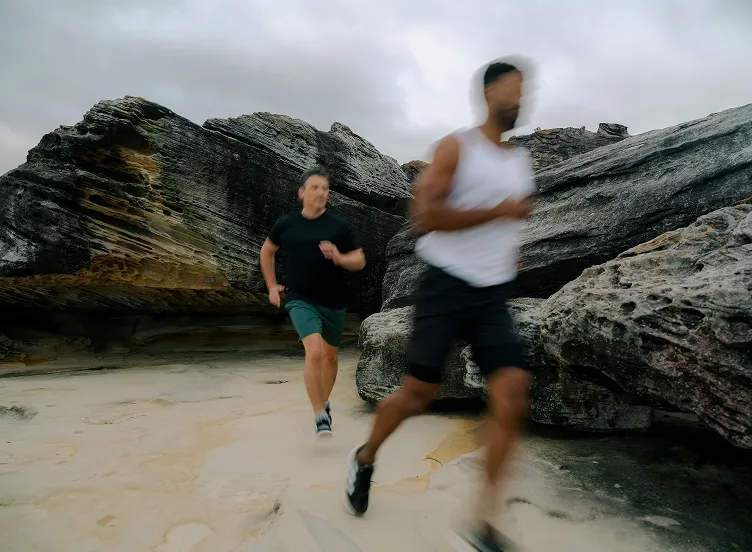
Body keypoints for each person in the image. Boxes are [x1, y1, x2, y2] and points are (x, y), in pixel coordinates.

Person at [343, 59, 536, 551]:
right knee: (417, 395)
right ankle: (365, 456)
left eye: (524, 91)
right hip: (445, 287)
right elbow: (426, 215)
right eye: (513, 91)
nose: (521, 100)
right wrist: (497, 211)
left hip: (492, 295)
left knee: (512, 393)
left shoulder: (519, 161)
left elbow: (509, 226)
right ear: (490, 93)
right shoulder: (456, 147)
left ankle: (484, 522)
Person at [260, 166, 366, 438]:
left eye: (325, 189)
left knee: (330, 358)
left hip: (333, 301)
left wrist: (339, 258)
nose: (321, 192)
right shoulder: (287, 224)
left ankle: (324, 401)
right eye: (316, 187)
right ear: (302, 192)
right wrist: (272, 286)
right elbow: (267, 251)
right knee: (315, 353)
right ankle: (320, 415)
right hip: (300, 299)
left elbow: (359, 260)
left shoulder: (338, 227)